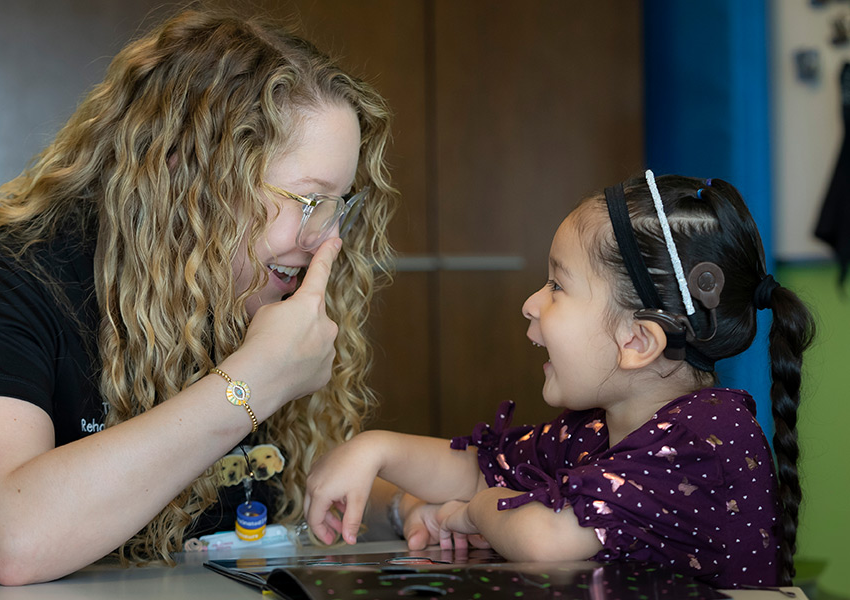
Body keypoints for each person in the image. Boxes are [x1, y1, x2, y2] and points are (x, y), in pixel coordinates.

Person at [0, 7, 404, 585]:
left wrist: (401, 509)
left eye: (338, 204)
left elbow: (292, 486)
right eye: (307, 199)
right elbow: (15, 539)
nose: (327, 237)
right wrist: (258, 379)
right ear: (188, 174)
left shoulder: (242, 293)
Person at [305, 171, 816, 589]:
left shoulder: (703, 438)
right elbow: (479, 469)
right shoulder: (596, 428)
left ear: (637, 341)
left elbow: (545, 537)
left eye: (556, 285)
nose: (531, 303)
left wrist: (473, 513)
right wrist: (376, 450)